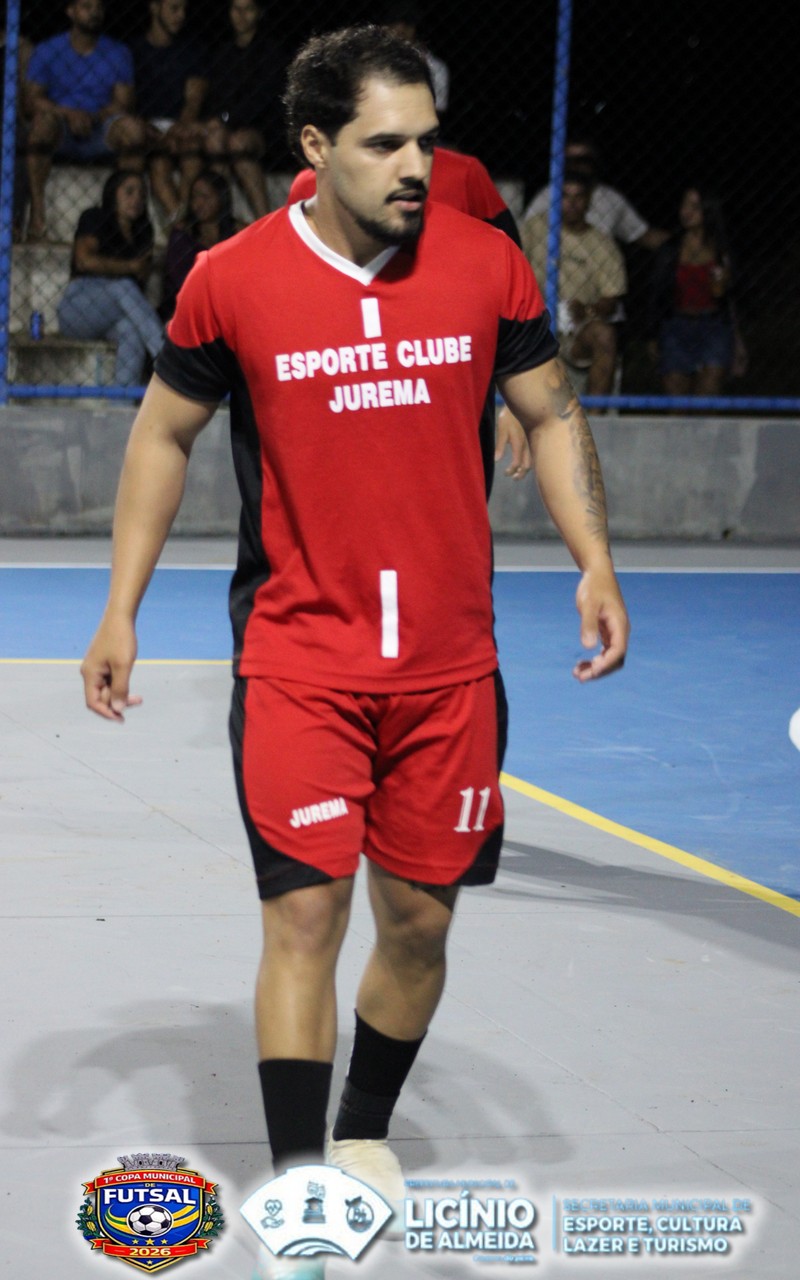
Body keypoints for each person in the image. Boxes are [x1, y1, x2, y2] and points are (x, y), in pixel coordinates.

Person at [80, 27, 629, 1280]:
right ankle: (297, 1189)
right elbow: (162, 433)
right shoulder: (231, 279)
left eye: (425, 141)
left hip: (448, 664)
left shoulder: (486, 265)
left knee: (419, 923)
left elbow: (548, 411)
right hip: (298, 654)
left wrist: (594, 559)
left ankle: (363, 1128)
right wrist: (121, 609)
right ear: (316, 146)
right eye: (385, 144)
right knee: (305, 912)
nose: (414, 166)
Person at [23, 0, 147, 242]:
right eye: (86, 7)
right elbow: (31, 100)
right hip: (61, 124)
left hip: (101, 124)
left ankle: (122, 223)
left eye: (98, 7)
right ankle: (38, 217)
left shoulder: (117, 52)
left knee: (133, 131)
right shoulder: (48, 50)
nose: (94, 13)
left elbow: (124, 102)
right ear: (70, 11)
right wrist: (68, 114)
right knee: (41, 126)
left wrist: (93, 116)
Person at [521, 172, 627, 395]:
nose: (571, 203)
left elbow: (611, 300)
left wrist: (587, 310)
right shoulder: (534, 228)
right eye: (565, 196)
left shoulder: (602, 244)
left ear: (588, 201)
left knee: (605, 335)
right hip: (532, 320)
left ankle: (596, 412)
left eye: (578, 197)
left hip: (576, 327)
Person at [58, 169, 164, 386]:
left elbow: (142, 277)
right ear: (113, 193)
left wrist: (137, 270)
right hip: (79, 304)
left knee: (131, 331)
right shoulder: (95, 217)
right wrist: (130, 267)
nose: (136, 199)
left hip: (116, 314)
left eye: (142, 194)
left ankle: (122, 400)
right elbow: (83, 261)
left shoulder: (143, 230)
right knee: (123, 286)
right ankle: (168, 359)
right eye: (129, 192)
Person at [647, 186, 738, 398]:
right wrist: (652, 334)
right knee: (677, 404)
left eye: (695, 207)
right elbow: (656, 293)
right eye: (684, 205)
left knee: (707, 402)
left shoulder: (721, 248)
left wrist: (727, 282)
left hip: (714, 325)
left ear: (708, 210)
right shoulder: (671, 248)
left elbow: (732, 296)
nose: (686, 212)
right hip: (676, 326)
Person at [201, 0, 287, 219]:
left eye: (247, 9)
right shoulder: (223, 52)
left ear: (258, 13)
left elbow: (263, 101)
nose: (241, 15)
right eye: (236, 9)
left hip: (265, 131)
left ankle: (264, 219)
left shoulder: (270, 51)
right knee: (215, 141)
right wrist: (219, 120)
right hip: (229, 128)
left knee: (237, 143)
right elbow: (215, 96)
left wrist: (226, 119)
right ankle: (220, 222)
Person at [131, 0, 208, 222]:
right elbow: (128, 101)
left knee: (192, 156)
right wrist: (153, 132)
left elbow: (194, 100)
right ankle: (183, 225)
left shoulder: (191, 50)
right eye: (174, 8)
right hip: (147, 126)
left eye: (184, 9)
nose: (180, 15)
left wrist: (176, 130)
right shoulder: (135, 50)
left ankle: (184, 220)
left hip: (180, 126)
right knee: (159, 165)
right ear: (155, 7)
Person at [522, 137, 668, 252]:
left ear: (594, 163)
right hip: (552, 267)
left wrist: (678, 243)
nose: (575, 166)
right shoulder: (547, 195)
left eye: (582, 160)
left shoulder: (610, 198)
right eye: (569, 161)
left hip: (594, 267)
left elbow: (642, 235)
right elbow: (526, 234)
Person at [160, 168, 243, 319]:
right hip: (189, 306)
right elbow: (179, 280)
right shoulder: (183, 234)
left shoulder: (238, 232)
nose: (198, 203)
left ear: (221, 198)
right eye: (194, 197)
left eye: (205, 197)